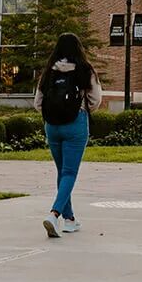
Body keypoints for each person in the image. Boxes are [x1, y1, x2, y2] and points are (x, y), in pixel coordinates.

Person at [33, 32, 102, 237]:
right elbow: (96, 99)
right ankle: (54, 214)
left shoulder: (49, 71)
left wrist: (54, 113)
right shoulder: (85, 69)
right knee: (69, 173)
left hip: (52, 126)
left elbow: (38, 103)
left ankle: (69, 219)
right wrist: (81, 109)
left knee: (62, 172)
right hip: (75, 124)